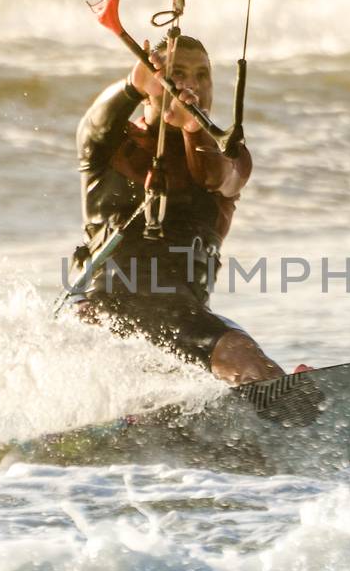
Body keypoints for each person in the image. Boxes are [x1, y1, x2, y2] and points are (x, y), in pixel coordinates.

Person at [68, 33, 284, 385]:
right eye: (178, 73)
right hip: (102, 310)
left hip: (181, 316)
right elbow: (92, 127)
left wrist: (193, 129)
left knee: (247, 359)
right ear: (154, 84)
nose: (192, 85)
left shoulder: (231, 158)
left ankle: (297, 416)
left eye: (202, 75)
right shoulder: (113, 147)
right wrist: (132, 84)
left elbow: (217, 178)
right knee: (236, 354)